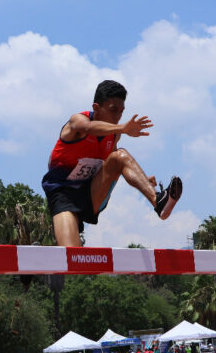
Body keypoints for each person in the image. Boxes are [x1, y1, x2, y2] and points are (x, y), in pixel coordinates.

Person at [42, 80, 182, 246]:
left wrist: (143, 179)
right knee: (73, 256)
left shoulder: (114, 135)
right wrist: (122, 128)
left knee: (118, 155)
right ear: (96, 108)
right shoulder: (77, 121)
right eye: (113, 110)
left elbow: (113, 165)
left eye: (121, 112)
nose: (117, 117)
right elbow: (88, 128)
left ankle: (158, 201)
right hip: (63, 194)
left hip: (91, 192)